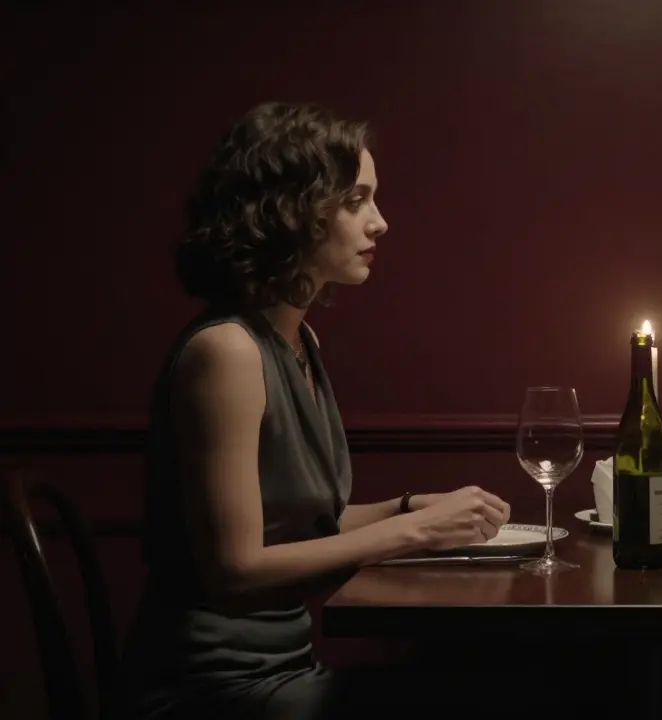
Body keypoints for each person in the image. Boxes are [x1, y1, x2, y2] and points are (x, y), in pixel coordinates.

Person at [116, 102, 513, 719]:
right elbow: (235, 570)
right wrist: (415, 533)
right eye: (357, 200)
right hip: (211, 689)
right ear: (290, 212)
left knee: (501, 684)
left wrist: (408, 507)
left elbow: (294, 521)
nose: (381, 222)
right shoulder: (227, 351)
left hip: (283, 670)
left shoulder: (299, 342)